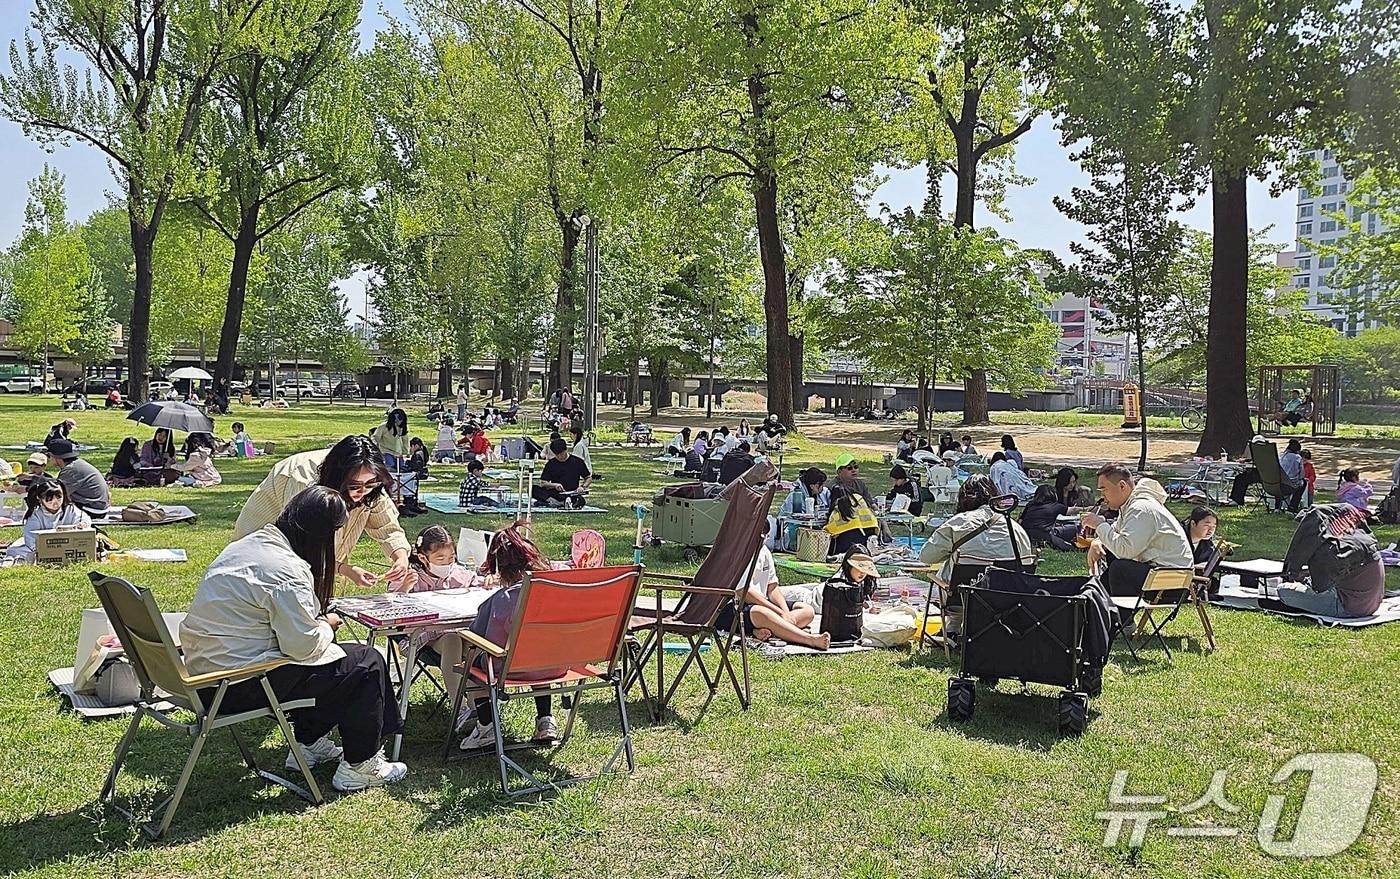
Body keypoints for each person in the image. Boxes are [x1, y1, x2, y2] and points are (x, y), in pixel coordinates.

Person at [182, 486, 407, 791]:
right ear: (321, 534)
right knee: (367, 662)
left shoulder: (246, 546)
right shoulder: (286, 570)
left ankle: (309, 742)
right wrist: (327, 624)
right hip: (238, 685)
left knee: (341, 663)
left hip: (204, 675)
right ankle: (360, 765)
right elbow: (302, 647)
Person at [233, 435, 417, 592]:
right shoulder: (303, 483)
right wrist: (344, 569)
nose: (363, 491)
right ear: (337, 478)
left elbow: (387, 527)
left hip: (302, 563)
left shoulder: (370, 483)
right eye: (354, 486)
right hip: (261, 558)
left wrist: (400, 557)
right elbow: (302, 551)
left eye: (370, 484)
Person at [458, 526, 564, 750]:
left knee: (471, 661)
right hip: (556, 664)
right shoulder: (559, 592)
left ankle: (486, 726)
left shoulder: (500, 600)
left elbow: (480, 638)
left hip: (506, 669)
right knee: (537, 651)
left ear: (499, 568)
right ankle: (545, 719)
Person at [919, 476, 1037, 636]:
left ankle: (953, 627)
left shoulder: (958, 523)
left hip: (962, 599)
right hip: (1009, 597)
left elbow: (926, 557)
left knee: (948, 568)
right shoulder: (1015, 527)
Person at [396, 525, 479, 716]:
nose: (447, 563)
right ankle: (460, 708)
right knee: (451, 639)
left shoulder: (458, 574)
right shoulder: (410, 576)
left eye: (451, 558)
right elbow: (390, 607)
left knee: (477, 647)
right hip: (424, 637)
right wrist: (404, 589)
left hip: (461, 632)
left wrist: (489, 580)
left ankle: (480, 712)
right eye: (440, 559)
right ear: (423, 557)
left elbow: (478, 583)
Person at [1081, 463, 1192, 598]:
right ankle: (1098, 602)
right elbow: (1117, 533)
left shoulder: (1141, 508)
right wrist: (1098, 541)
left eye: (1104, 490)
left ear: (1122, 486)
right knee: (1112, 553)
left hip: (1172, 581)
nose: (1102, 496)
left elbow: (1126, 551)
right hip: (1162, 573)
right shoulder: (1131, 505)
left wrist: (1099, 525)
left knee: (1120, 569)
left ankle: (1119, 617)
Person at [712, 534, 829, 654]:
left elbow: (772, 587)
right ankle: (808, 639)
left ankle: (769, 629)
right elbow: (743, 592)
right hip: (734, 606)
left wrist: (786, 614)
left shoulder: (764, 551)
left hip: (762, 604)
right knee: (762, 612)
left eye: (767, 535)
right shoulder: (738, 552)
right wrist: (779, 612)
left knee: (807, 610)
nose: (764, 538)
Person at [1279, 504, 1385, 618]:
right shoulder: (1359, 539)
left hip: (1346, 606)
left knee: (1283, 591)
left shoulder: (1331, 550)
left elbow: (1320, 587)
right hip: (1372, 604)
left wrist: (1291, 573)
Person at [4, 476, 92, 564]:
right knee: (15, 550)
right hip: (44, 548)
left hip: (69, 546)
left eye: (59, 498)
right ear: (40, 499)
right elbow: (30, 538)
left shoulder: (70, 509)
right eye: (50, 500)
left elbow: (84, 518)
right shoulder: (36, 514)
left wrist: (83, 524)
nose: (56, 503)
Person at [1228, 438, 1305, 510]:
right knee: (1303, 482)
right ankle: (1292, 506)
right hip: (1278, 481)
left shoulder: (1282, 455)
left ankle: (1237, 500)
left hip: (1268, 479)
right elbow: (1301, 474)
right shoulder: (1272, 452)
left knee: (1241, 478)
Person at [45, 438, 110, 516]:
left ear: (57, 457)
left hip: (92, 510)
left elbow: (57, 492)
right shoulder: (75, 465)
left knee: (49, 503)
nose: (48, 459)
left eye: (49, 456)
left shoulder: (71, 470)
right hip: (96, 506)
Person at [779, 467, 829, 551]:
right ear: (812, 486)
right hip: (792, 527)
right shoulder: (795, 495)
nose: (822, 487)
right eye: (820, 484)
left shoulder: (823, 494)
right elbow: (791, 517)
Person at [532, 437, 591, 507]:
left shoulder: (577, 461)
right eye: (557, 454)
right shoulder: (551, 463)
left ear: (566, 449)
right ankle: (559, 503)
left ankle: (553, 503)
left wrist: (582, 487)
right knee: (533, 489)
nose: (560, 456)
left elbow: (588, 478)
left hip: (572, 493)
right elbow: (543, 483)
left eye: (562, 453)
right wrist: (554, 485)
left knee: (581, 501)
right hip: (555, 493)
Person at [824, 483, 880, 555]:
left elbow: (831, 528)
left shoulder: (838, 504)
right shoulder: (859, 498)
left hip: (846, 542)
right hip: (867, 534)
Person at [1020, 484, 1077, 551]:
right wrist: (1087, 509)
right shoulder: (1055, 506)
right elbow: (1073, 510)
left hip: (1027, 534)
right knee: (1074, 527)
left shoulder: (1030, 504)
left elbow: (1021, 520)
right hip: (1045, 534)